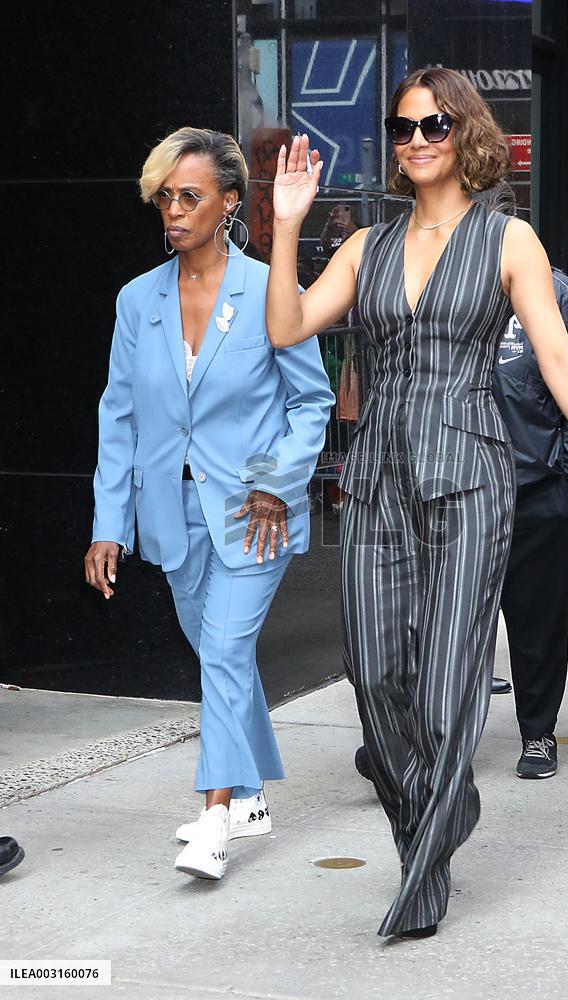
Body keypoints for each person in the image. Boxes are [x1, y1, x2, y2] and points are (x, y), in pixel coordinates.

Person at [266, 69, 568, 939]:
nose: (416, 139)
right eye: (402, 127)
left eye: (433, 124)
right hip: (381, 475)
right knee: (376, 670)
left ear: (465, 132)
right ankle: (445, 808)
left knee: (445, 685)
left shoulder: (510, 241)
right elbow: (286, 327)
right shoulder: (368, 249)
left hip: (472, 473)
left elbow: (553, 355)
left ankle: (421, 878)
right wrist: (285, 228)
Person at [85, 127, 334, 880]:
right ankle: (254, 794)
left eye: (189, 195)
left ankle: (215, 816)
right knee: (216, 652)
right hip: (171, 516)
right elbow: (119, 418)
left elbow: (311, 403)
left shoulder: (268, 288)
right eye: (165, 196)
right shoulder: (139, 301)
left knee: (225, 650)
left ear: (229, 202)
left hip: (252, 510)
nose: (174, 210)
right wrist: (108, 526)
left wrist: (272, 483)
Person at [472, 183, 568, 779]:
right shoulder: (449, 297)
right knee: (444, 624)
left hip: (535, 491)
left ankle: (538, 734)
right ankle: (417, 739)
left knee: (537, 624)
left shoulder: (558, 298)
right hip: (461, 489)